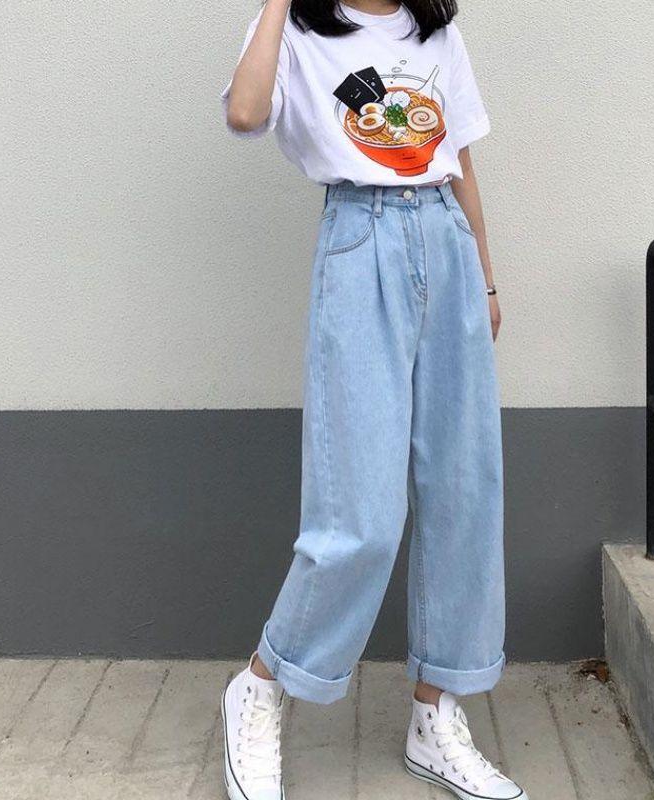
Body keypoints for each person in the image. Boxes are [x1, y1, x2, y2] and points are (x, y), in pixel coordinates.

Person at [219, 2, 525, 798]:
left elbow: (459, 158)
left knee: (463, 488)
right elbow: (245, 113)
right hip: (361, 239)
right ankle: (261, 683)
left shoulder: (436, 32)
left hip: (447, 241)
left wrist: (486, 278)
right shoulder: (297, 30)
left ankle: (435, 713)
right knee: (360, 512)